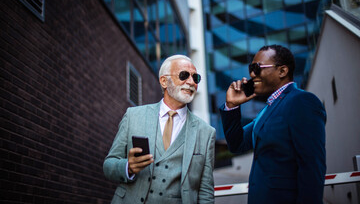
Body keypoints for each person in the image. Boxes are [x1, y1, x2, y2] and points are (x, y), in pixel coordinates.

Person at [219, 45, 326, 204]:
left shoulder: (301, 102)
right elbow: (237, 143)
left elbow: (312, 167)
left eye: (257, 68)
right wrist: (232, 105)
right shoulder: (267, 111)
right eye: (250, 68)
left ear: (282, 71)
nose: (251, 74)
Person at [103, 55, 216, 204]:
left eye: (196, 78)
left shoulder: (206, 132)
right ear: (164, 81)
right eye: (184, 75)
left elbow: (206, 192)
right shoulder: (133, 116)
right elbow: (108, 165)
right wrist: (127, 167)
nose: (191, 82)